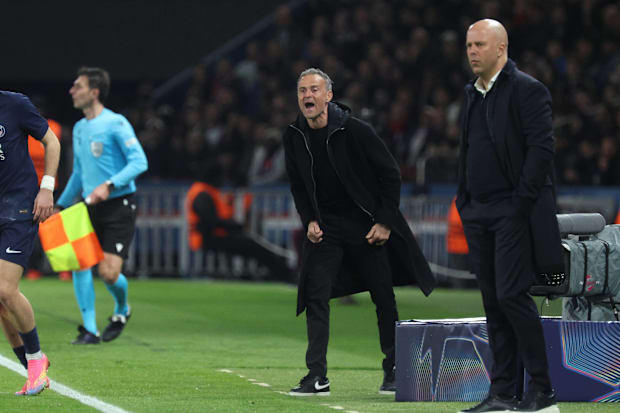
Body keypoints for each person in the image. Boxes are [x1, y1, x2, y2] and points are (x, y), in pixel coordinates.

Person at [282, 68, 435, 396]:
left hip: (365, 226)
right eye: (302, 91)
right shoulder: (293, 135)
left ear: (328, 96)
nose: (307, 96)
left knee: (383, 295)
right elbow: (297, 185)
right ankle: (316, 376)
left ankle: (393, 369)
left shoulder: (355, 130)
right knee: (315, 295)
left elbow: (391, 174)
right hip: (326, 228)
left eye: (314, 90)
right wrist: (309, 220)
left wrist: (384, 222)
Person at [456, 20, 563, 413]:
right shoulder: (472, 93)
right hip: (478, 211)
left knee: (511, 296)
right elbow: (467, 149)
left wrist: (519, 203)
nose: (472, 51)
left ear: (500, 48)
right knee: (493, 301)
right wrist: (464, 200)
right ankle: (503, 392)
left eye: (480, 44)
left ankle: (543, 390)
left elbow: (542, 149)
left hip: (511, 211)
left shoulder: (528, 89)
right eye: (469, 44)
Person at [56, 67, 148, 344]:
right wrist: (59, 205)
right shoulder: (80, 128)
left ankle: (122, 308)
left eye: (78, 86)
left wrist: (108, 185)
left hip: (118, 205)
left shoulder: (115, 123)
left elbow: (139, 162)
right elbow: (79, 173)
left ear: (94, 92)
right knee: (80, 264)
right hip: (88, 205)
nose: (72, 91)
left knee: (108, 273)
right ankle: (89, 329)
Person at [0, 89, 60, 395]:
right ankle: (34, 369)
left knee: (4, 289)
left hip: (19, 207)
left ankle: (37, 360)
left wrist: (46, 188)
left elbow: (52, 141)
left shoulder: (14, 104)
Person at [186, 180, 294, 282]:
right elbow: (210, 221)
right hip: (209, 238)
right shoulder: (202, 193)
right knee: (253, 247)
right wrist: (235, 226)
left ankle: (283, 273)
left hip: (216, 236)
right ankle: (285, 275)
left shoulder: (203, 191)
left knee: (253, 247)